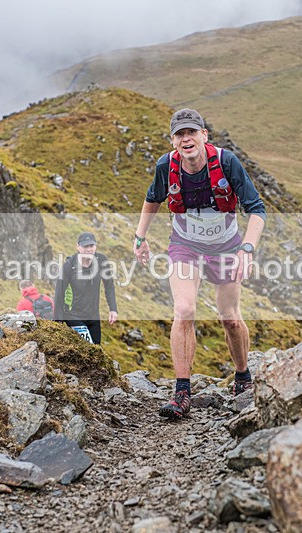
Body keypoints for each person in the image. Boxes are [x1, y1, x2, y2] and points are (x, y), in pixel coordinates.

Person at [133, 108, 266, 419]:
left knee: (230, 318)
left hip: (227, 248)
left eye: (191, 132)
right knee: (184, 310)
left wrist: (247, 249)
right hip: (185, 246)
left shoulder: (226, 161)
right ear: (173, 140)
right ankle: (182, 392)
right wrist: (140, 237)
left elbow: (257, 210)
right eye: (180, 134)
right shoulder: (167, 166)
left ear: (204, 136)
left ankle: (243, 377)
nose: (186, 138)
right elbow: (153, 198)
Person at [54, 232, 118, 344]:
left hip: (93, 316)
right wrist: (58, 322)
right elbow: (59, 294)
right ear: (78, 247)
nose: (89, 249)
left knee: (96, 350)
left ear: (96, 246)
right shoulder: (69, 266)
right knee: (86, 348)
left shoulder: (101, 260)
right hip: (73, 315)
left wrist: (113, 308)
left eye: (91, 246)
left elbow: (109, 286)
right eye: (85, 246)